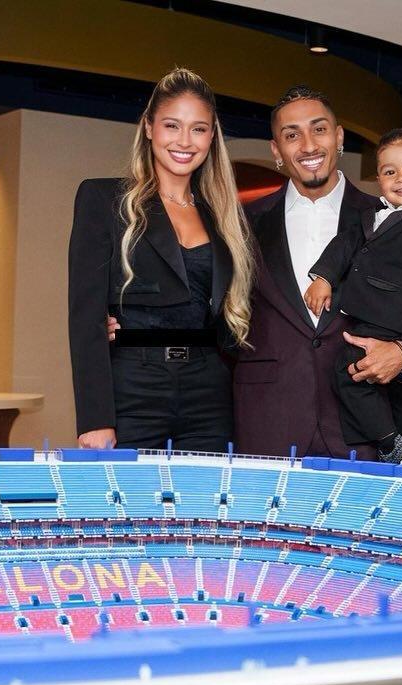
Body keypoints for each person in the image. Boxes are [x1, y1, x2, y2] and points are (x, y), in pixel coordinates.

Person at [235, 87, 402, 460]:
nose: (308, 145)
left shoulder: (397, 217)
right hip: (267, 424)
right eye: (292, 135)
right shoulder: (242, 221)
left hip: (369, 430)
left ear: (338, 137)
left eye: (319, 129)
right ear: (276, 150)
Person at [68, 67, 255, 451]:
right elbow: (84, 316)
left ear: (212, 136)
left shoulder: (224, 217)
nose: (185, 141)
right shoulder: (103, 200)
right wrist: (95, 418)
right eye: (172, 125)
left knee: (204, 492)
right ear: (149, 127)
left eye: (198, 129)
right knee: (127, 493)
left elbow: (230, 317)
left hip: (208, 393)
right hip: (132, 388)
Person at [304, 127, 402, 466]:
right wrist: (323, 277)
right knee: (398, 390)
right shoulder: (371, 215)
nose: (401, 178)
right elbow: (343, 247)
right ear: (378, 178)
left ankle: (391, 444)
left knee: (350, 370)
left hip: (393, 317)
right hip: (373, 316)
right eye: (390, 171)